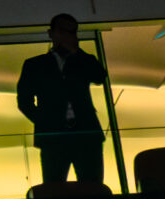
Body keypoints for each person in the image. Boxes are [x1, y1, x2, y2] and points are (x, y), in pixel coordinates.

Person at [17, 13, 109, 187]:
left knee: (92, 188)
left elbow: (100, 76)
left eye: (71, 32)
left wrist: (77, 52)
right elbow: (24, 101)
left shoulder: (83, 60)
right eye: (62, 31)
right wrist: (45, 121)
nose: (66, 36)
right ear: (51, 33)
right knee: (55, 189)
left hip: (86, 136)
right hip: (54, 139)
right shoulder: (35, 65)